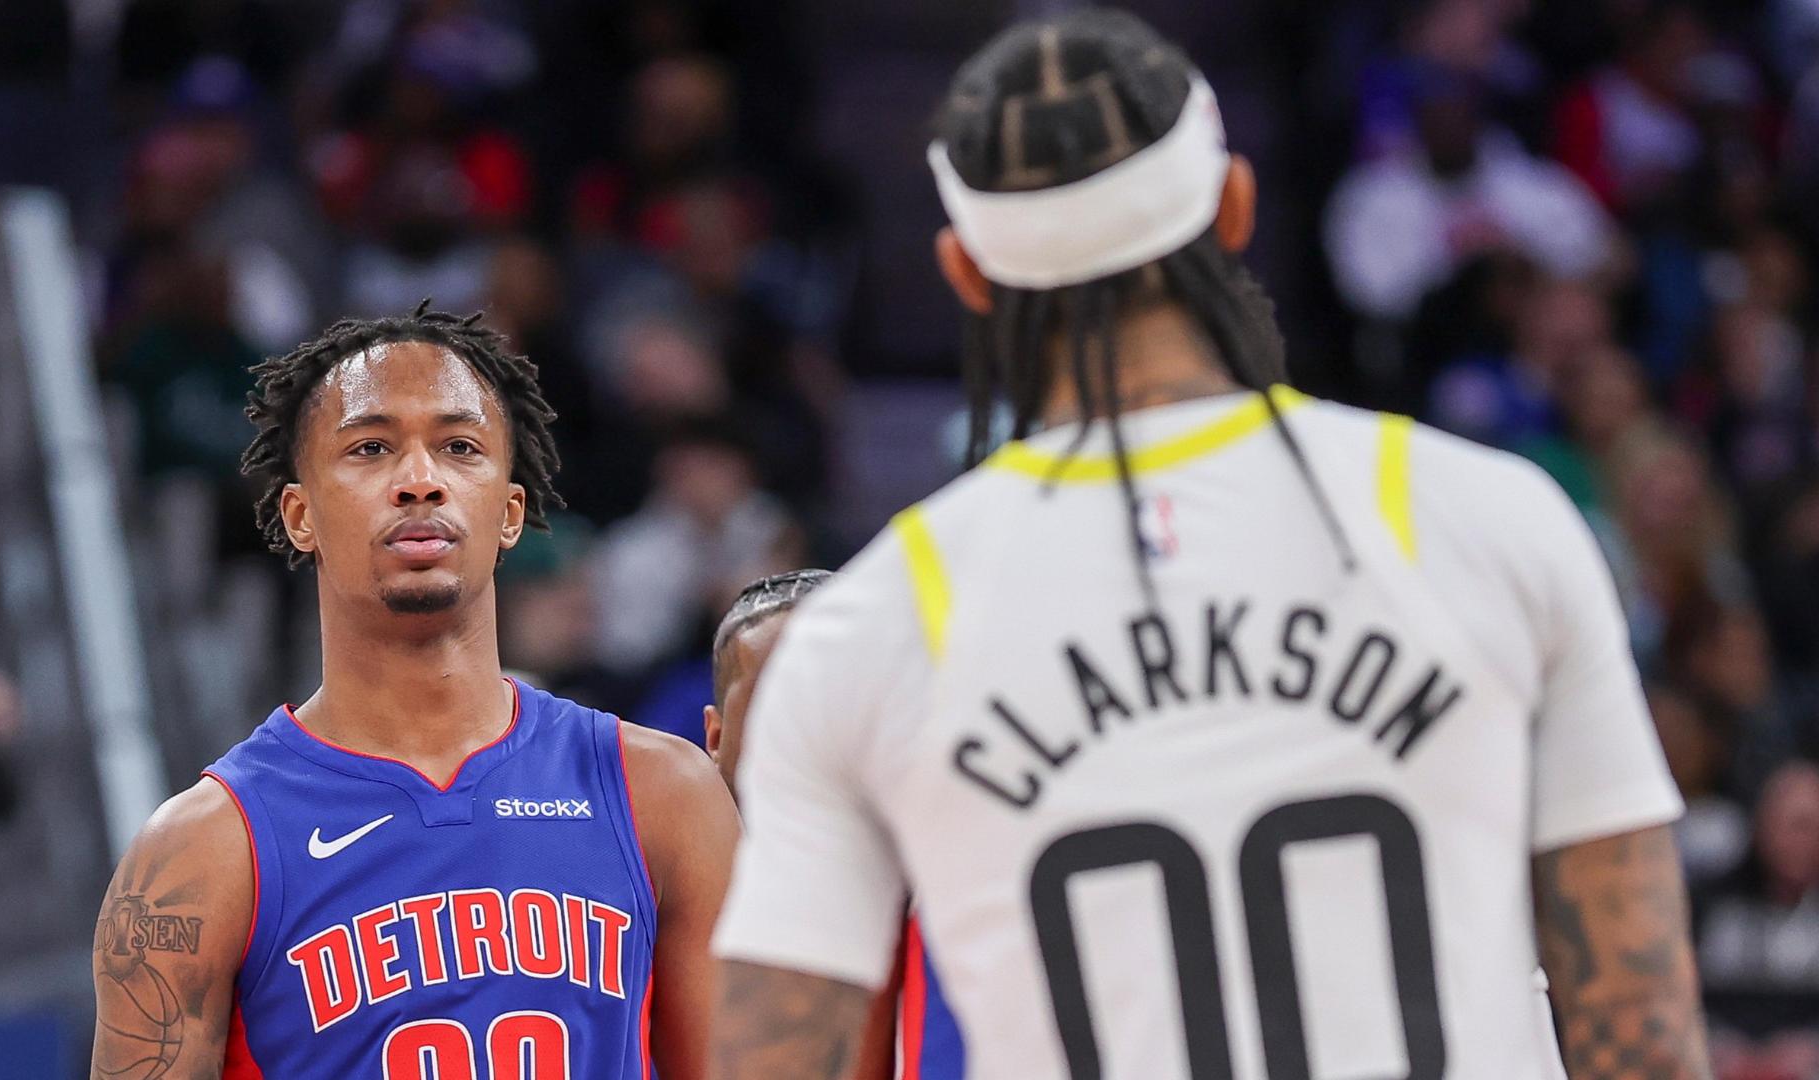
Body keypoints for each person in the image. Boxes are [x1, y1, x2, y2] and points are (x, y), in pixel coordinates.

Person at [710, 11, 1708, 1080]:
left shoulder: (878, 622)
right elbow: (1635, 1023)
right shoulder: (1484, 519)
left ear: (966, 273)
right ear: (1235, 206)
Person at [90, 305, 739, 1078]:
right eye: (371, 448)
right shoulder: (199, 851)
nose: (420, 481)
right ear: (298, 516)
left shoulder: (663, 793)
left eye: (460, 447)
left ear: (509, 512)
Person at [704, 569, 964, 1080]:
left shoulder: (960, 902)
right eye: (778, 706)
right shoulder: (658, 905)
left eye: (844, 703)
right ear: (715, 737)